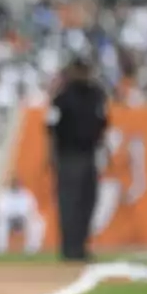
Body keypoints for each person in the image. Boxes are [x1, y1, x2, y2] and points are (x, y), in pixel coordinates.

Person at [47, 57, 109, 262]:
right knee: (69, 203)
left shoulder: (95, 95)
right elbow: (52, 127)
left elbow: (103, 123)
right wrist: (52, 154)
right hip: (68, 155)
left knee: (87, 202)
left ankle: (80, 246)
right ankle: (69, 247)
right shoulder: (63, 97)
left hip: (87, 154)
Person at [0, 177, 45, 256]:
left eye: (17, 183)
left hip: (23, 220)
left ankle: (32, 249)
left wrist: (25, 216)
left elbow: (33, 209)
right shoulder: (3, 195)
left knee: (38, 222)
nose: (15, 185)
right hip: (8, 220)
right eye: (13, 183)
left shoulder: (27, 194)